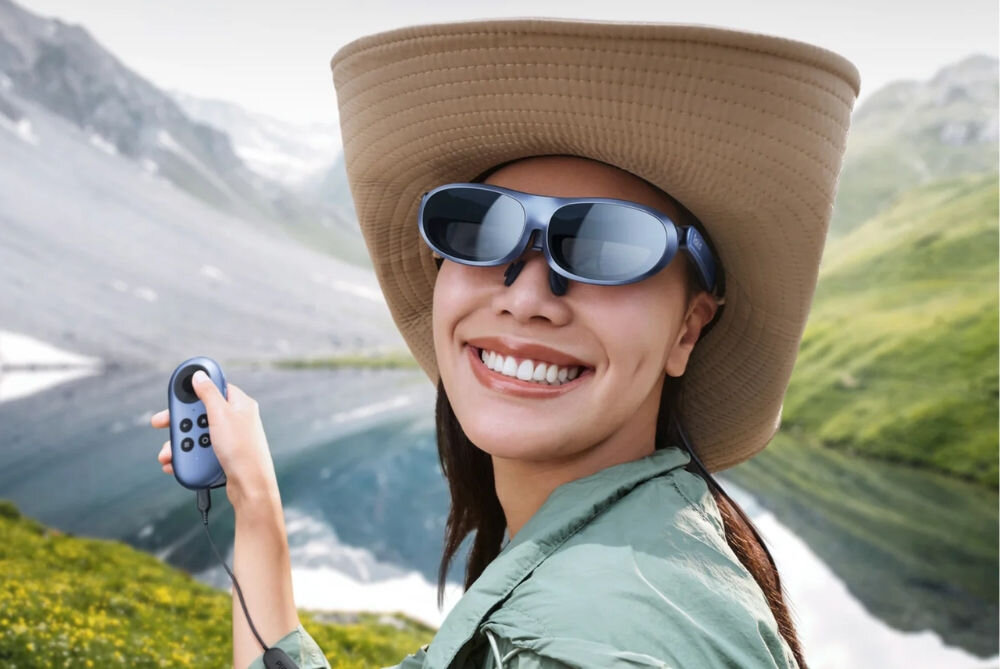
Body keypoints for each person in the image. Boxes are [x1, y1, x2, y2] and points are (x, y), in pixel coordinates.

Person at [150, 16, 859, 669]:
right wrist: (256, 508)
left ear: (688, 327)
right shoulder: (649, 551)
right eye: (481, 226)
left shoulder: (588, 640)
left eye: (610, 245)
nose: (525, 295)